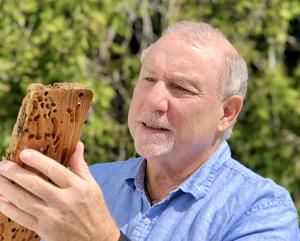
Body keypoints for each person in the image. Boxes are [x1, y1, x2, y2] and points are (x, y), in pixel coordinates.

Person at [0, 21, 299, 241]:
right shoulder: (91, 185)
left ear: (227, 112)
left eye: (181, 88)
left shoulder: (261, 211)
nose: (154, 100)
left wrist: (99, 237)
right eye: (148, 79)